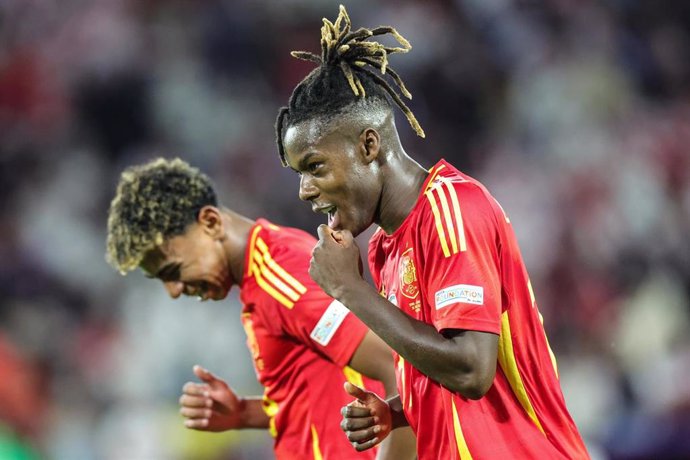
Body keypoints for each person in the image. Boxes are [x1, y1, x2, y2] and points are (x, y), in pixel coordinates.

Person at [275, 5, 590, 459]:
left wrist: (349, 289)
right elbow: (446, 369)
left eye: (315, 166)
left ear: (369, 144)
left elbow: (471, 369)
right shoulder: (386, 246)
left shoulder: (452, 209)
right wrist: (398, 412)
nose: (305, 190)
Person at [105, 158, 416, 460]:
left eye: (174, 271)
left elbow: (399, 370)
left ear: (210, 223)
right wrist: (242, 413)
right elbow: (313, 398)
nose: (173, 290)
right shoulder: (262, 275)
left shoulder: (278, 275)